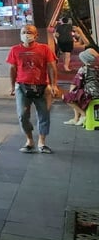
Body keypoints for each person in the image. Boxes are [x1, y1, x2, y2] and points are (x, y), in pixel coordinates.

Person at [6, 24, 57, 153]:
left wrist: (53, 85)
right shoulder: (15, 50)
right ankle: (29, 140)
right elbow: (12, 68)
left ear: (36, 35)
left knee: (44, 114)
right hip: (22, 87)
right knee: (22, 115)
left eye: (29, 32)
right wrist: (13, 86)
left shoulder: (44, 49)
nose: (26, 34)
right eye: (23, 32)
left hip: (42, 87)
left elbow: (51, 66)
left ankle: (42, 142)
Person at [64, 48, 99, 125]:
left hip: (91, 94)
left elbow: (77, 83)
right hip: (97, 91)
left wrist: (72, 91)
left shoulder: (83, 69)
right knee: (75, 94)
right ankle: (76, 118)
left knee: (68, 97)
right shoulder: (96, 68)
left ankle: (82, 115)